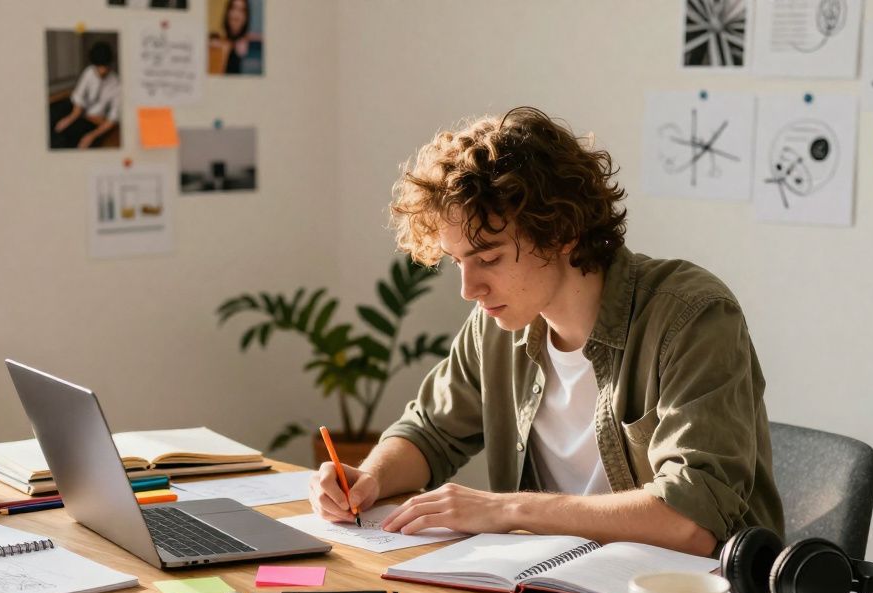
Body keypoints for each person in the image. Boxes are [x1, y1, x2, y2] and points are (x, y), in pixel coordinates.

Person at [308, 107, 783, 557]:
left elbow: (692, 520)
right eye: (457, 262)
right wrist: (370, 477)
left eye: (489, 258)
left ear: (560, 232)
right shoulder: (496, 326)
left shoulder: (691, 315)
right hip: (550, 583)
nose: (469, 289)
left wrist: (509, 510)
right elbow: (429, 432)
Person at [52, 41, 120, 150]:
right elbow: (79, 97)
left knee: (71, 142)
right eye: (98, 67)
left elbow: (112, 119)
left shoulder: (117, 84)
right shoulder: (89, 72)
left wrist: (91, 136)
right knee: (53, 118)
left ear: (110, 64)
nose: (102, 71)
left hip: (94, 121)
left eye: (105, 66)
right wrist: (70, 118)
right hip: (78, 111)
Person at [209, 0, 262, 75]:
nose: (236, 14)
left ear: (246, 17)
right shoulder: (215, 42)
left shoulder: (253, 46)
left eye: (242, 10)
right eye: (233, 8)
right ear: (227, 12)